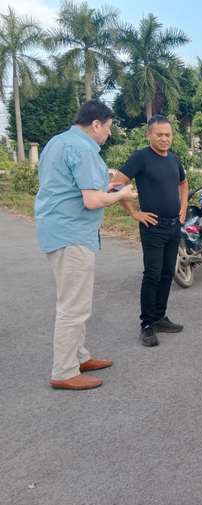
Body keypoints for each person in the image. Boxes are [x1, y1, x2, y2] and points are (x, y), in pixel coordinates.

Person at [34, 99, 138, 390]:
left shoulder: (58, 142)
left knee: (72, 298)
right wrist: (121, 196)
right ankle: (65, 371)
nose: (108, 135)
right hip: (72, 234)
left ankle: (79, 357)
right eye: (107, 129)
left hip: (56, 230)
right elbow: (91, 201)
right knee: (74, 305)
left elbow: (74, 186)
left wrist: (107, 188)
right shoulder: (84, 148)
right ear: (96, 124)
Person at [111, 115, 189, 347]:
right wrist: (134, 213)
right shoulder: (141, 157)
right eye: (160, 134)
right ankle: (147, 324)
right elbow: (116, 184)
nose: (165, 138)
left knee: (167, 274)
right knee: (152, 275)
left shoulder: (174, 159)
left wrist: (183, 208)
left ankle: (159, 317)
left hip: (174, 226)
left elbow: (183, 184)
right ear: (149, 134)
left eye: (168, 134)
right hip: (153, 228)